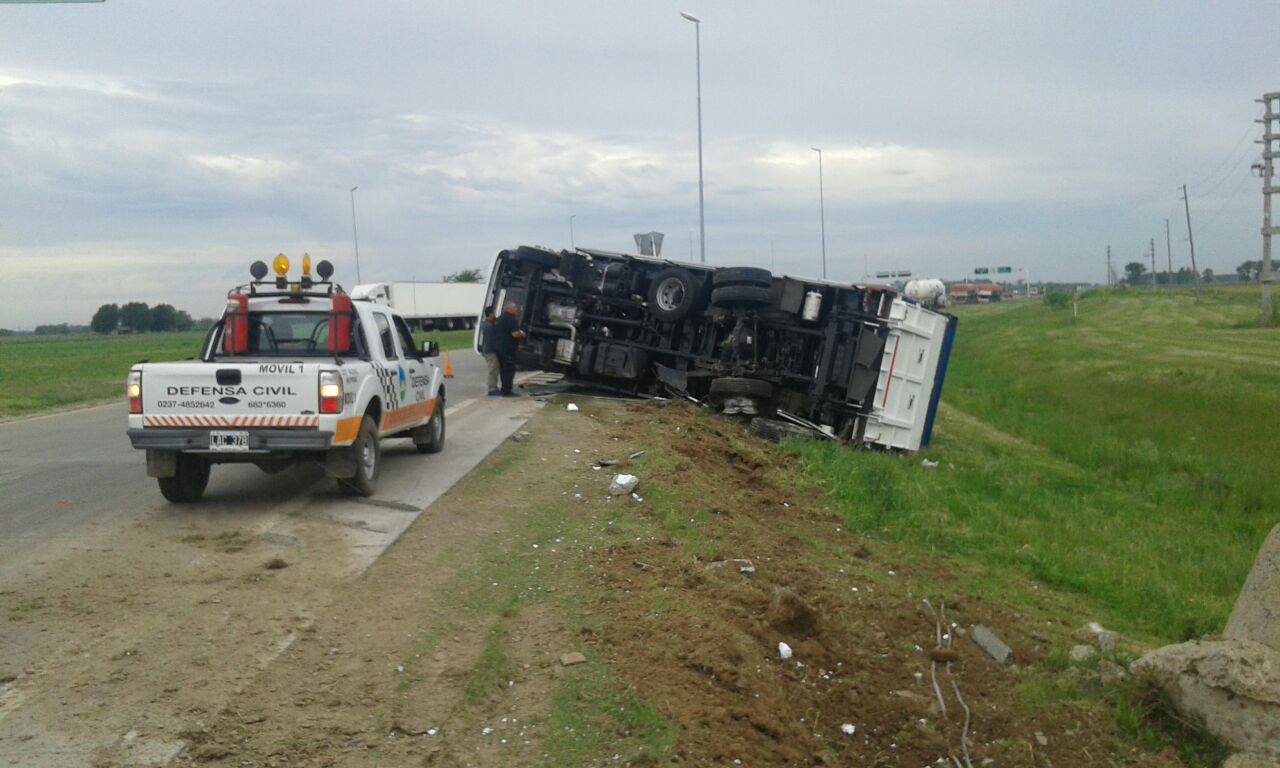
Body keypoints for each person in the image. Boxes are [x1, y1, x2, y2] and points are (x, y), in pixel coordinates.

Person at [493, 302, 526, 397]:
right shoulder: (510, 319)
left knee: (503, 370)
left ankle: (504, 389)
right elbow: (514, 334)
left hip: (500, 348)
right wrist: (522, 334)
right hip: (508, 349)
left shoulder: (501, 318)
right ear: (509, 309)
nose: (516, 309)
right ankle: (507, 391)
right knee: (509, 370)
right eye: (515, 307)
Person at [479, 307, 500, 396]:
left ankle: (494, 387)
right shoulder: (490, 326)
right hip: (490, 351)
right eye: (493, 313)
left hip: (486, 350)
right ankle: (492, 389)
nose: (494, 315)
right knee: (493, 370)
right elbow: (493, 340)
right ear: (490, 314)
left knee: (494, 369)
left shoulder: (486, 324)